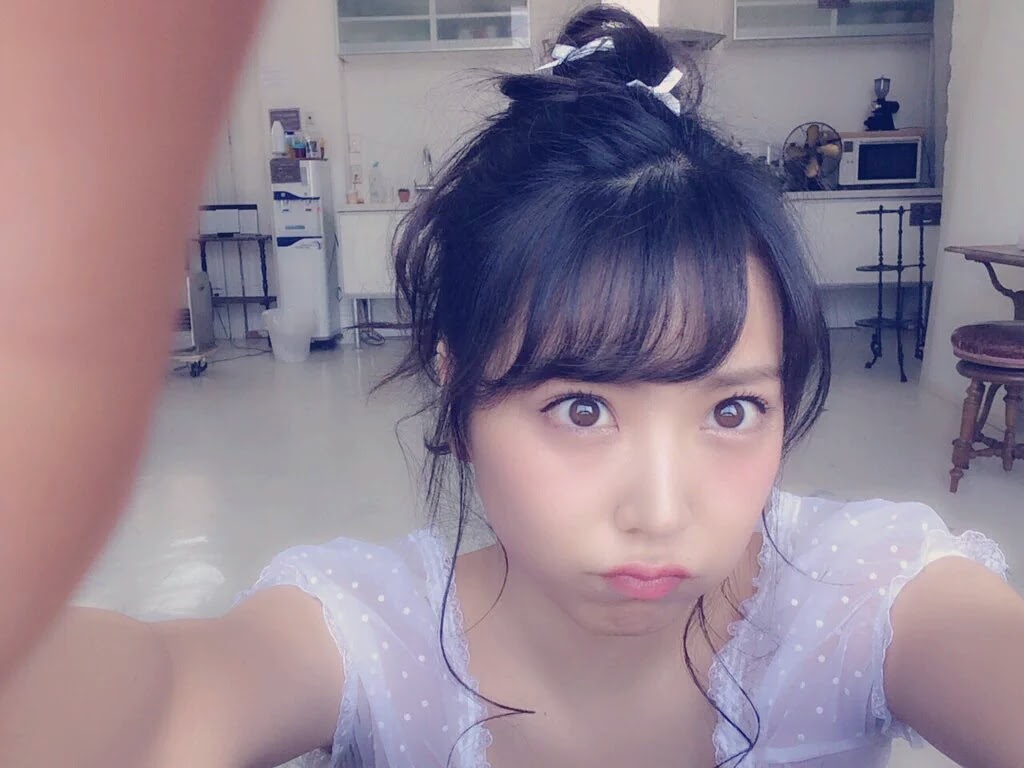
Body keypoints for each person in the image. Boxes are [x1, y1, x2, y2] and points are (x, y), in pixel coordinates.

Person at [1, 5, 1022, 768]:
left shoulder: (852, 600)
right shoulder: (376, 636)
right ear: (457, 393)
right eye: (582, 408)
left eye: (730, 410)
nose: (661, 510)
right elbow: (151, 712)